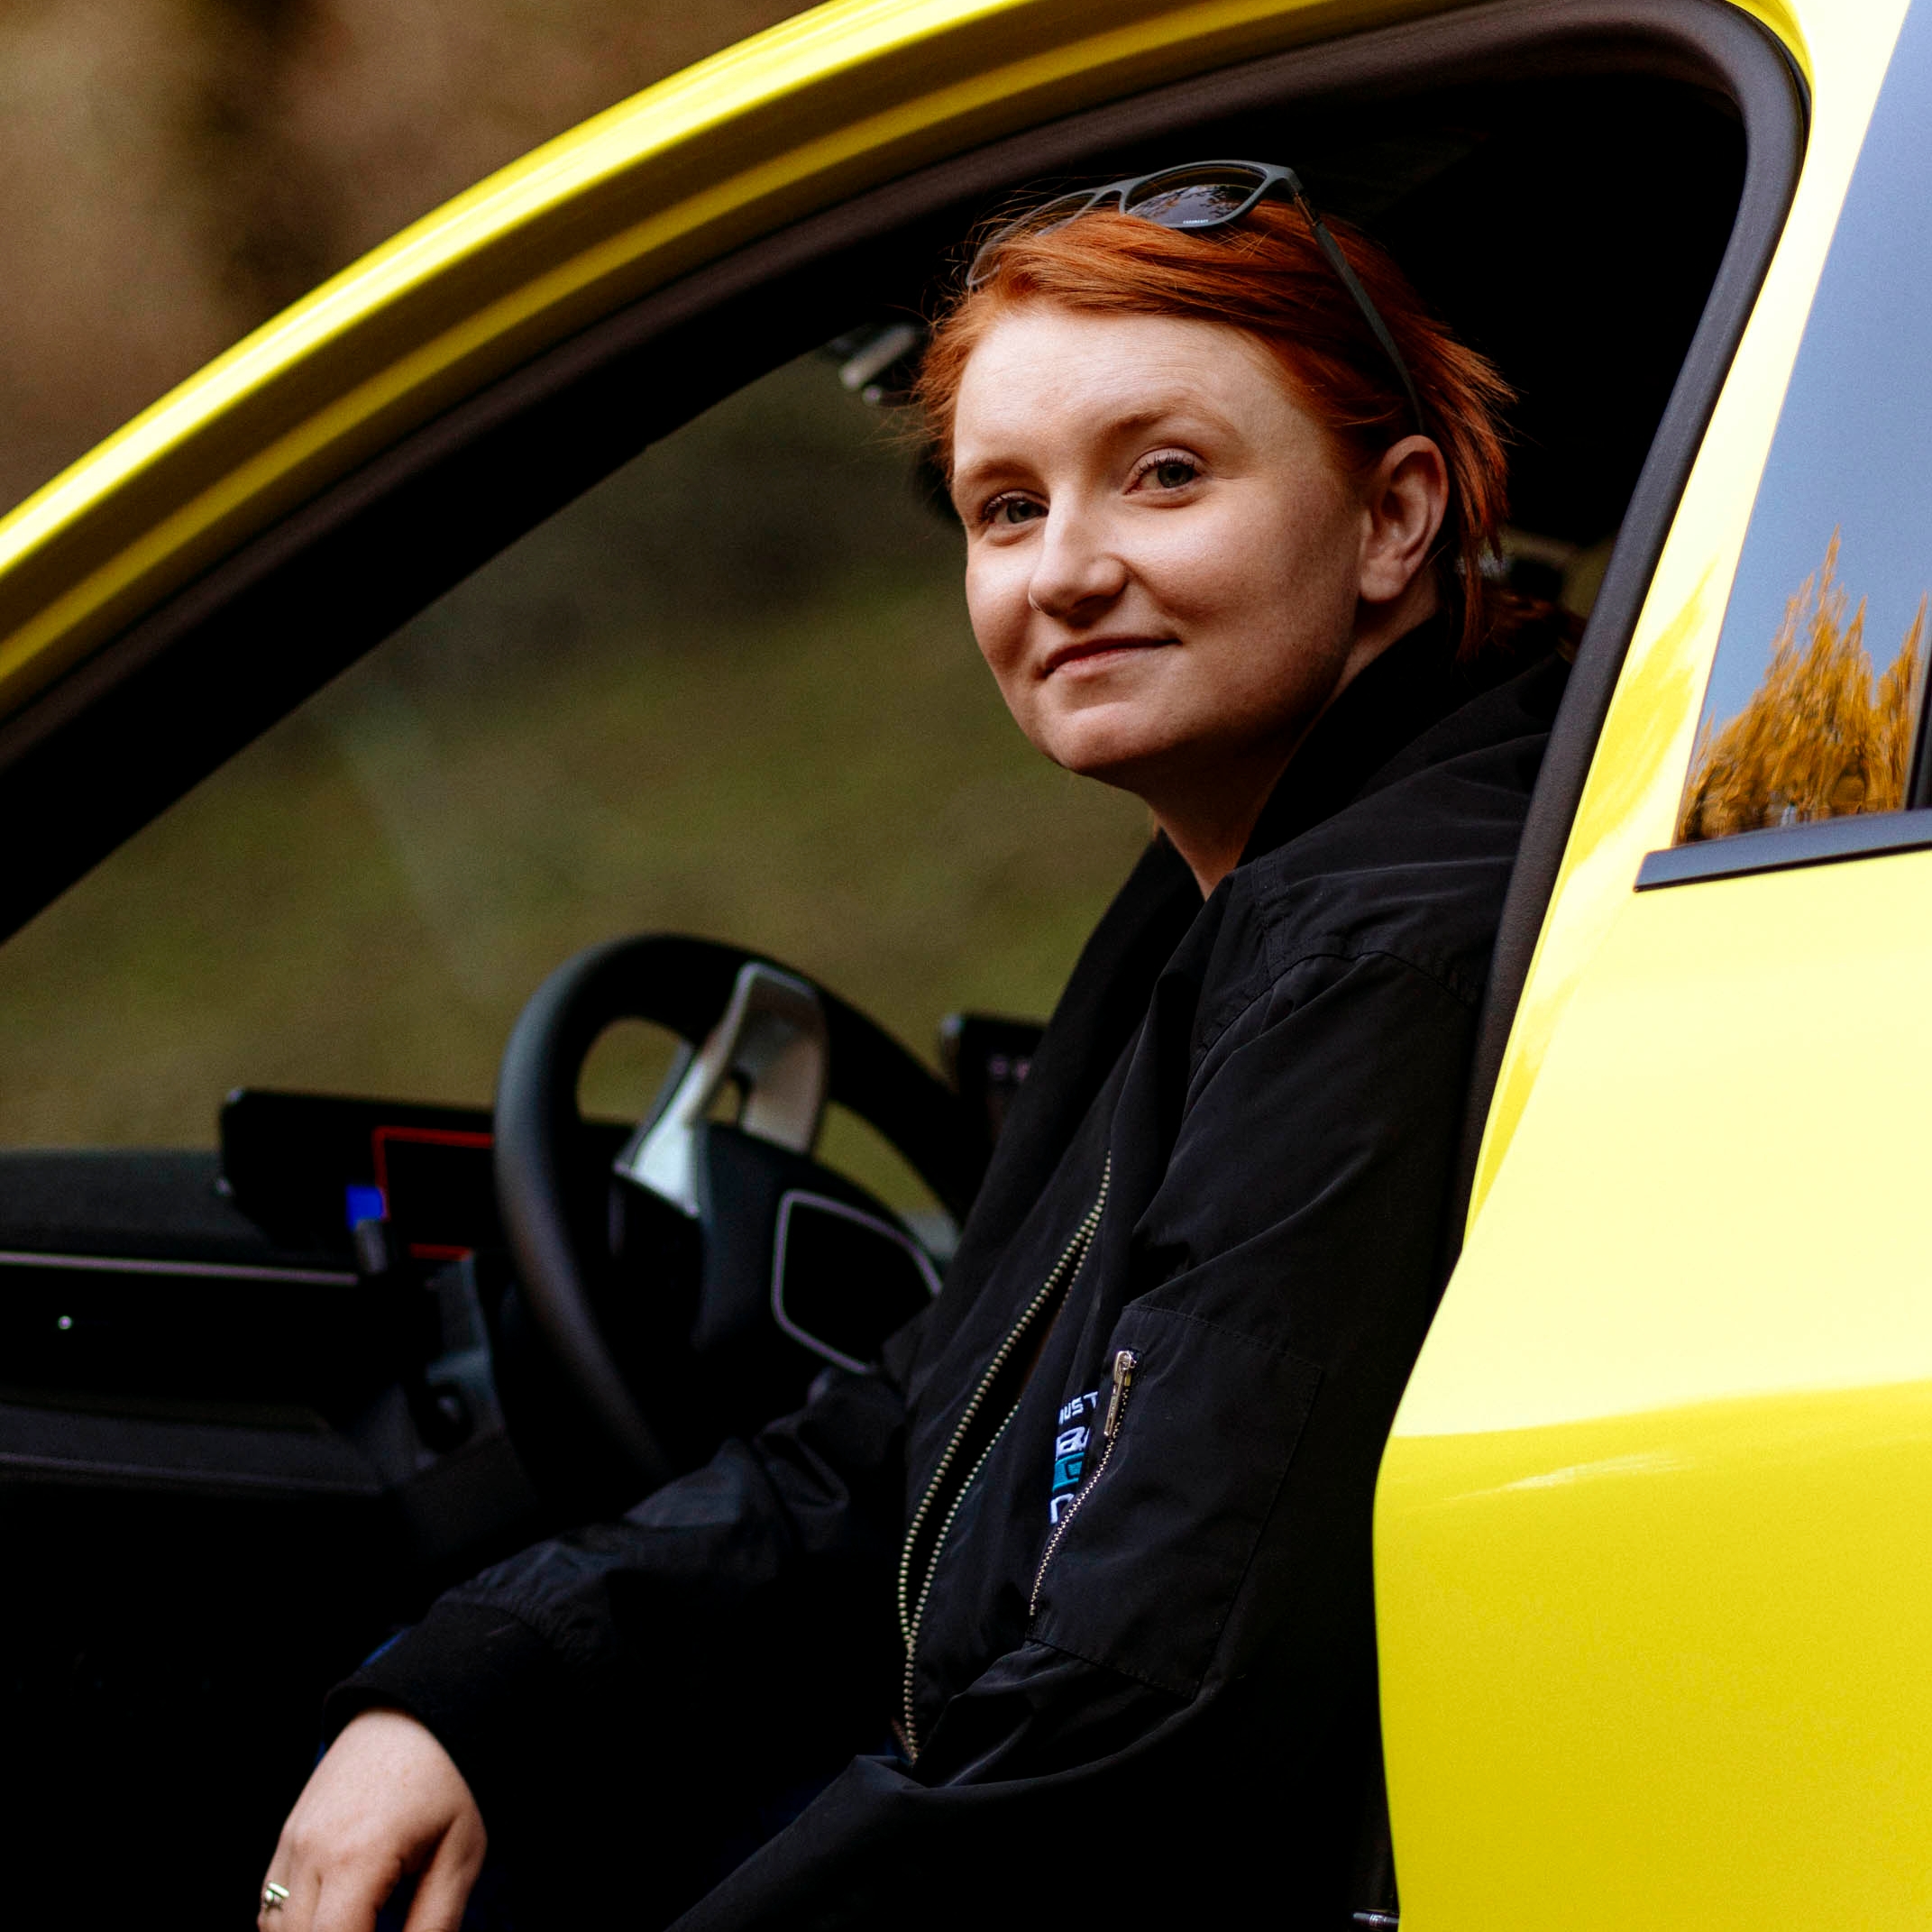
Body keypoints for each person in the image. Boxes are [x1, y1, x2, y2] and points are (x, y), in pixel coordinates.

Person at [259, 161, 1571, 1930]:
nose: (1070, 569)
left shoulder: (1371, 938)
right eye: (1004, 507)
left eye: (1165, 473)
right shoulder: (1230, 882)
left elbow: (1138, 1709)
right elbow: (920, 1411)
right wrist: (475, 1685)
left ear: (1394, 516)